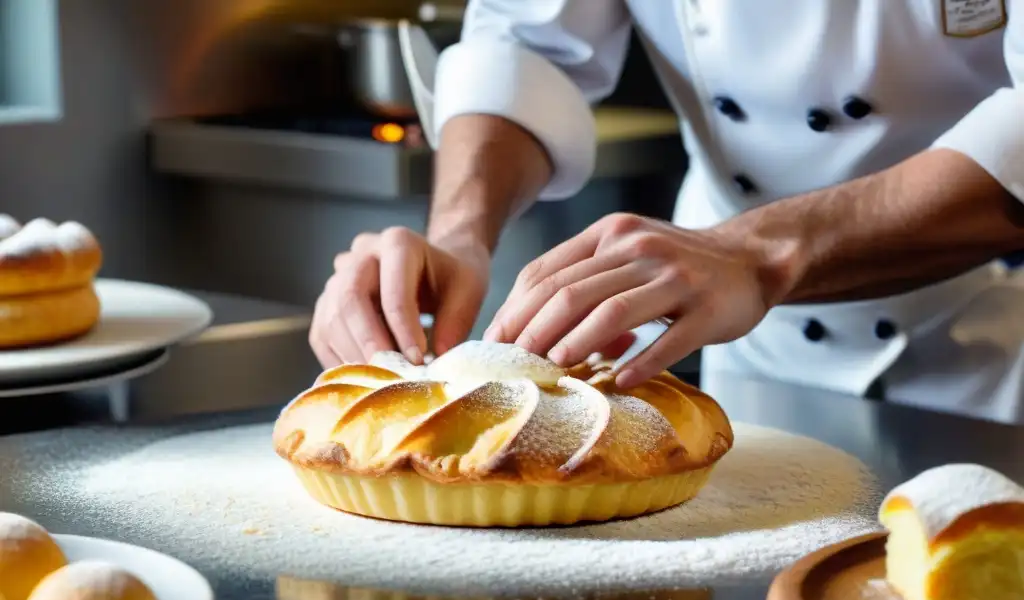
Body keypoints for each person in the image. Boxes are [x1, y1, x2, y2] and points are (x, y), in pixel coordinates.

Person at [310, 1, 1024, 424]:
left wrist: (758, 255)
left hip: (996, 351)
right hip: (745, 357)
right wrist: (459, 236)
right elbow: (528, 42)